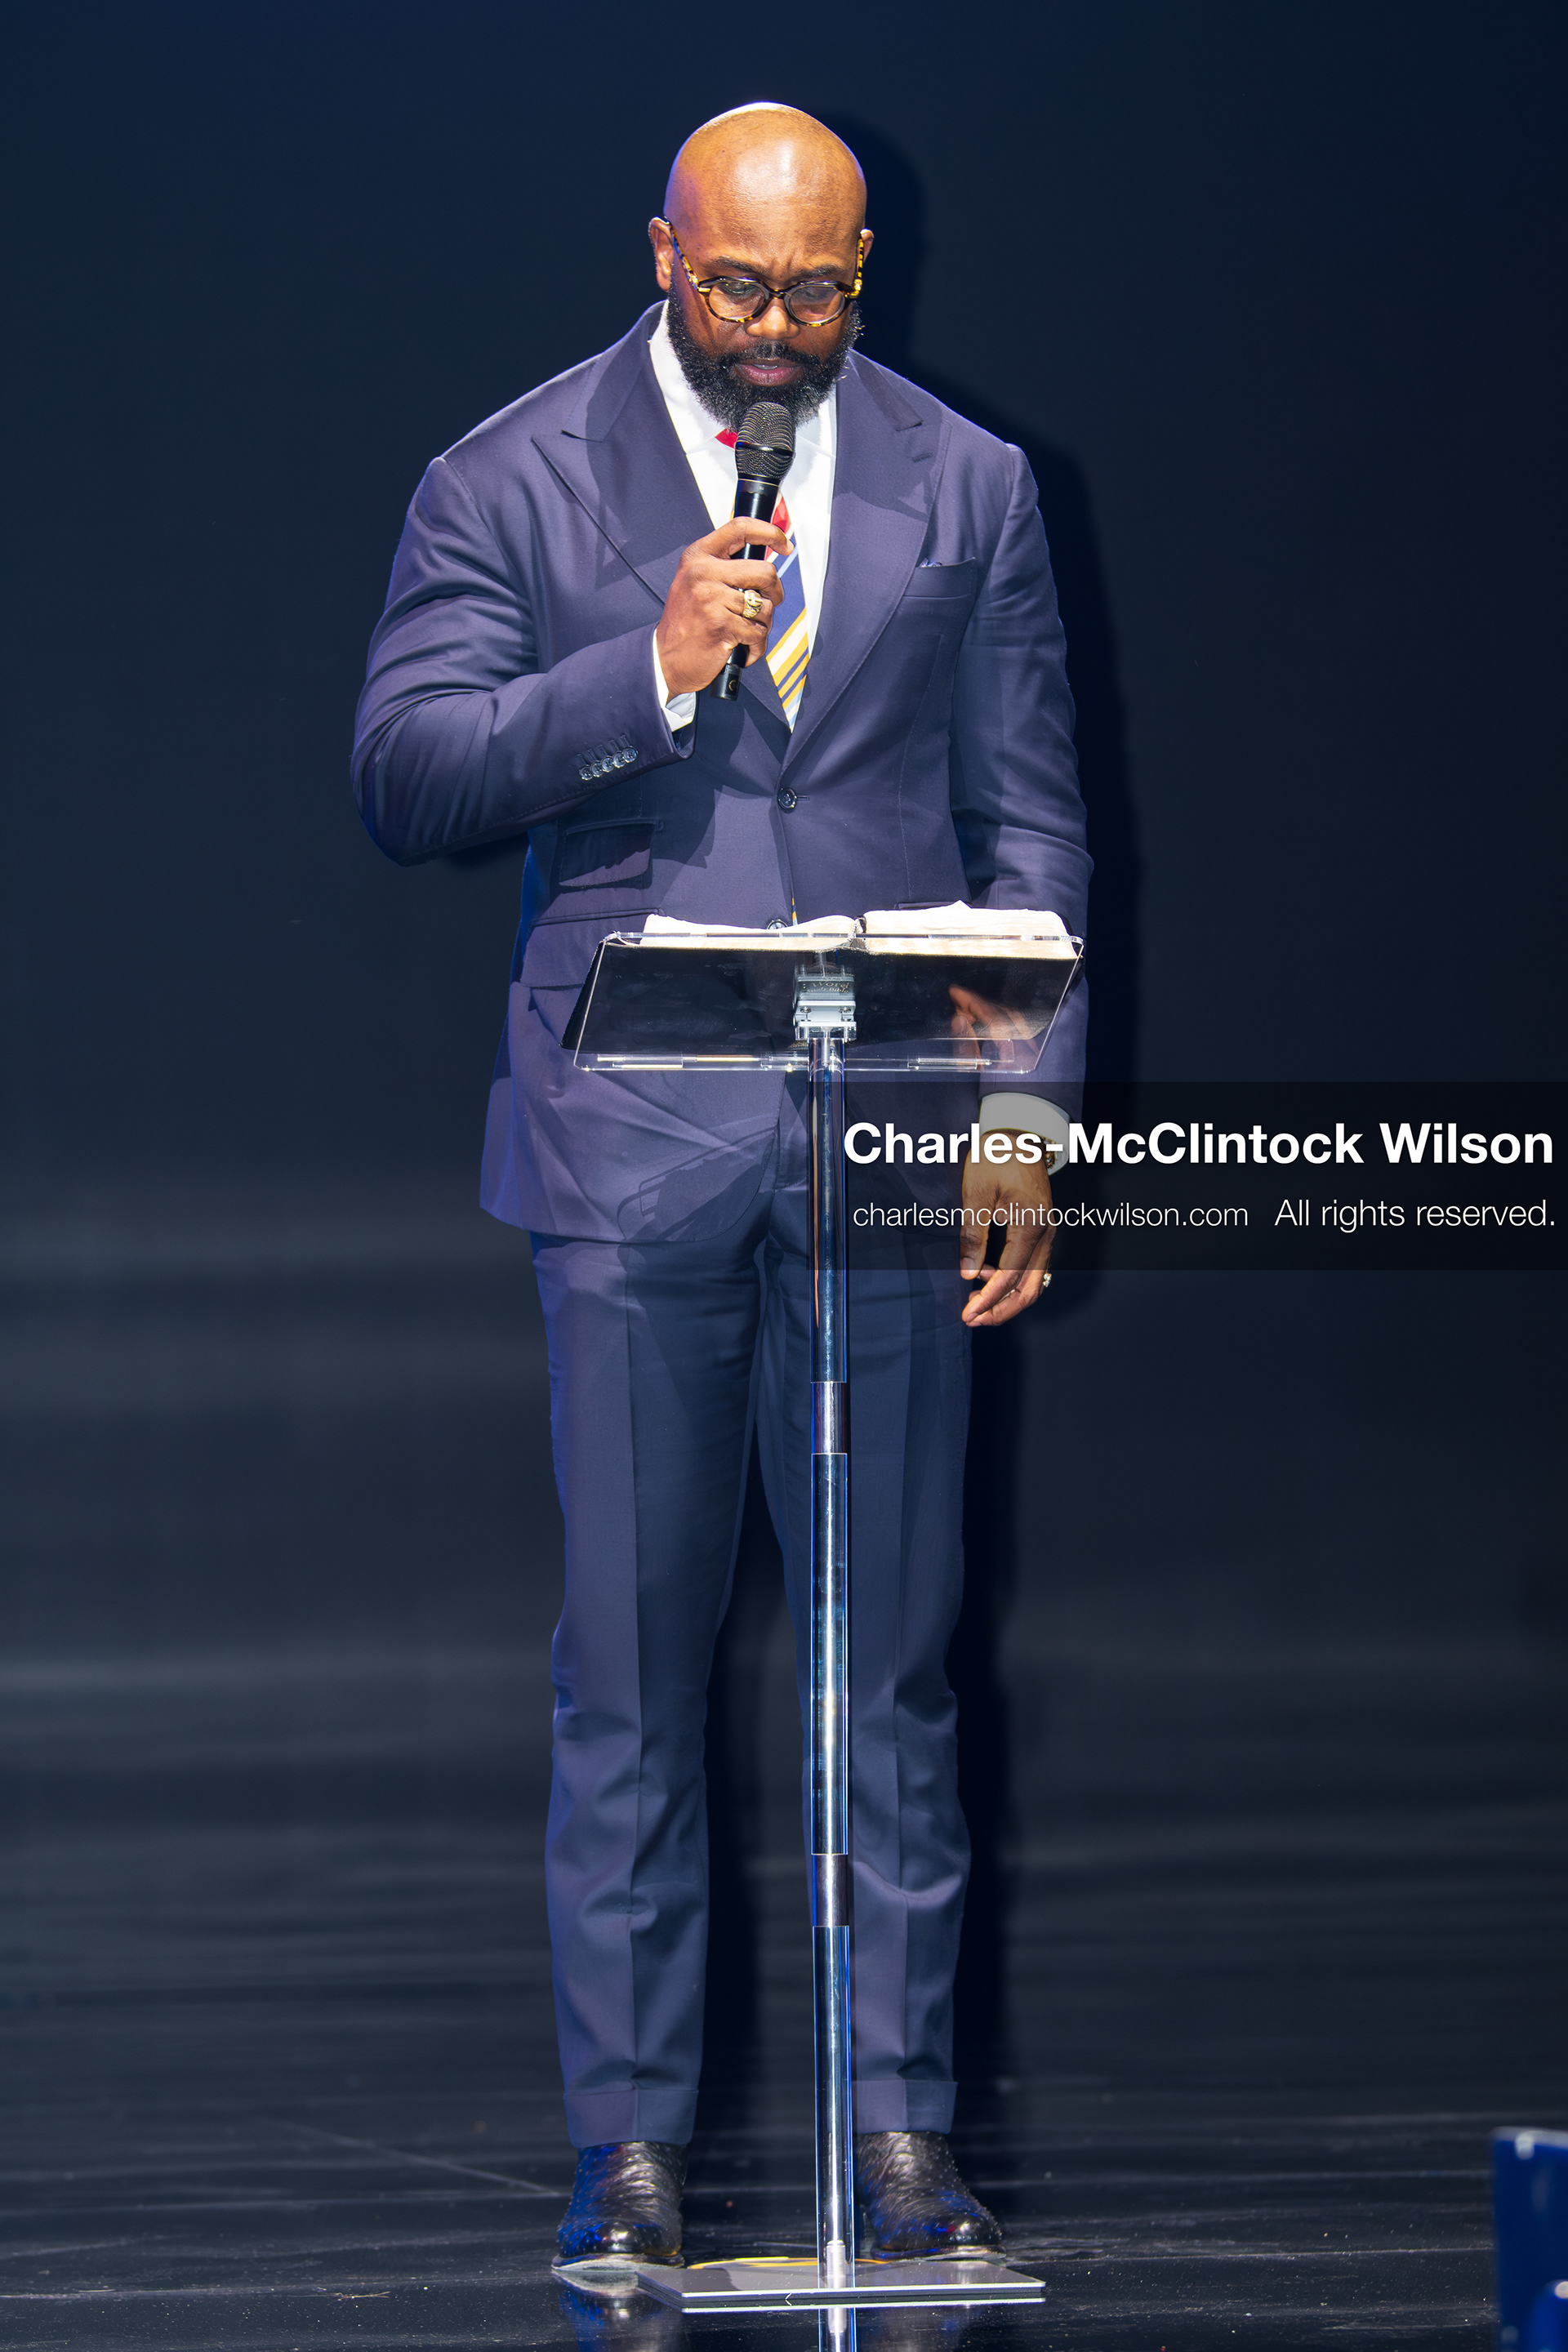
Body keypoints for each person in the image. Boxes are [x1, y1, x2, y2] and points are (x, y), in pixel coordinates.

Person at [352, 104, 1090, 2268]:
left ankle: (903, 2131)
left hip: (888, 1143)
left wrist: (1033, 1115)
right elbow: (404, 773)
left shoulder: (971, 483)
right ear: (659, 251)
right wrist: (651, 667)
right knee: (634, 1672)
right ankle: (638, 2143)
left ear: (869, 271)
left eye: (820, 293)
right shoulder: (507, 475)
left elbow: (1034, 830)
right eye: (736, 286)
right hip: (633, 1153)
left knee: (900, 1666)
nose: (776, 334)